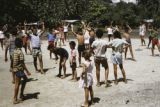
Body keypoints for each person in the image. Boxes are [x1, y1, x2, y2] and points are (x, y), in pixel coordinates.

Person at [12, 38, 31, 104]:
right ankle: (15, 99)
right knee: (17, 84)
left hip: (16, 69)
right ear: (20, 44)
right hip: (19, 69)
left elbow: (12, 61)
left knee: (25, 79)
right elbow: (22, 63)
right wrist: (27, 71)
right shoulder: (20, 52)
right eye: (22, 42)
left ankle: (21, 94)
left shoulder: (15, 51)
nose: (23, 43)